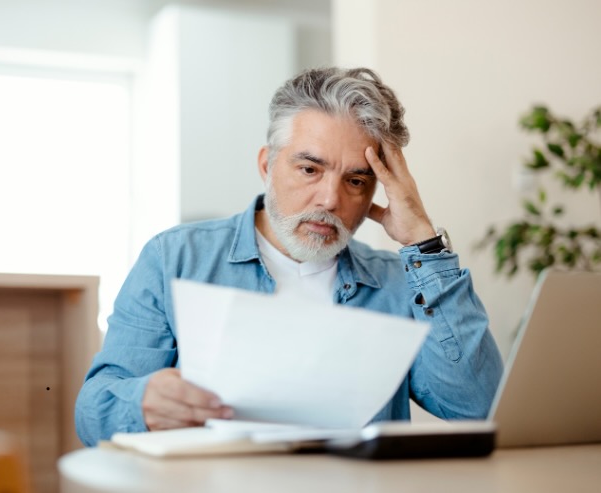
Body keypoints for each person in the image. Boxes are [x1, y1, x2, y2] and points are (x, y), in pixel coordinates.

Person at [75, 67, 504, 446]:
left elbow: (477, 408)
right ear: (267, 165)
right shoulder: (175, 258)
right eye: (309, 169)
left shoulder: (397, 283)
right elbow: (92, 413)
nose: (330, 199)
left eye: (356, 180)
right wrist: (143, 402)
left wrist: (424, 246)